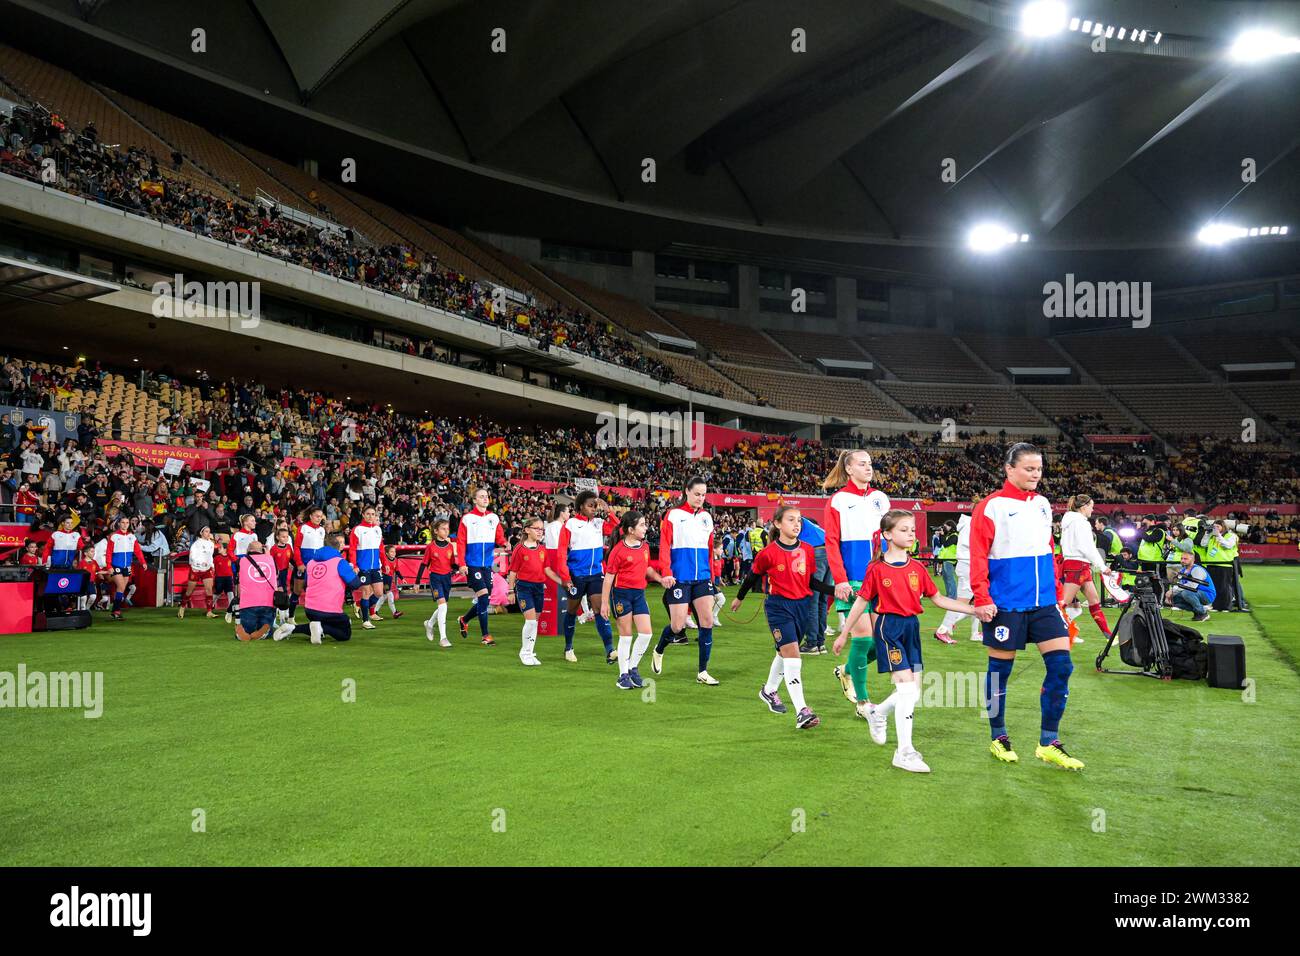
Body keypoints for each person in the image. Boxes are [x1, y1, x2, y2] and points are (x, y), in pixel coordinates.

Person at [970, 443, 1083, 771]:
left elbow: (1049, 549)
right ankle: (998, 735)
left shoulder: (1044, 504)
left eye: (1039, 469)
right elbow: (978, 554)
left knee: (1062, 668)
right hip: (1007, 604)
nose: (1036, 474)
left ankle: (1048, 742)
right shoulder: (990, 507)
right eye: (1029, 469)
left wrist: (1059, 591)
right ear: (1009, 469)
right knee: (999, 675)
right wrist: (982, 597)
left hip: (1045, 603)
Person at [838, 510, 975, 772]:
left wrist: (974, 609)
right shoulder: (876, 569)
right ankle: (904, 752)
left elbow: (939, 599)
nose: (911, 533)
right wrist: (844, 633)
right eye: (904, 529)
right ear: (887, 535)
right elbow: (862, 601)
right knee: (906, 690)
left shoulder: (917, 568)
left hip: (912, 628)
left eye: (912, 529)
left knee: (913, 694)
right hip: (888, 628)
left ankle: (877, 713)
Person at [732, 505, 835, 730]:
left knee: (784, 651)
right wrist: (739, 598)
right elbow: (752, 577)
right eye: (791, 520)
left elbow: (811, 583)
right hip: (779, 608)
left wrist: (835, 591)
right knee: (793, 657)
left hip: (802, 606)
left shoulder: (807, 549)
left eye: (799, 520)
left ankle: (768, 690)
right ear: (777, 524)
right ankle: (802, 711)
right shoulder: (768, 553)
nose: (797, 524)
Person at [821, 448, 890, 723]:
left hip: (881, 578)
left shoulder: (880, 499)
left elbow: (889, 536)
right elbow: (832, 543)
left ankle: (847, 670)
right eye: (862, 464)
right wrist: (839, 579)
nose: (868, 467)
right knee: (862, 639)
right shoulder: (838, 501)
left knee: (882, 642)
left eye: (870, 463)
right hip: (852, 581)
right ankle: (863, 702)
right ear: (849, 469)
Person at [651, 477, 721, 685]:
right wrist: (666, 572)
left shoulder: (707, 517)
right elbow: (665, 545)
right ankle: (659, 649)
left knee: (707, 622)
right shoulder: (673, 515)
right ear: (687, 491)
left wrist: (712, 578)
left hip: (702, 579)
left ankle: (703, 672)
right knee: (677, 625)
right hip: (679, 578)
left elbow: (709, 549)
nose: (701, 498)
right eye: (697, 494)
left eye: (703, 494)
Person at [602, 510, 664, 689]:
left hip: (639, 595)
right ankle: (622, 676)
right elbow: (608, 578)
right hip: (621, 595)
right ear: (630, 529)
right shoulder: (618, 551)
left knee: (646, 634)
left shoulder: (644, 547)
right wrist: (605, 603)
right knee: (626, 637)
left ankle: (632, 669)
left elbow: (647, 569)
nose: (646, 528)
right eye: (642, 525)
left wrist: (660, 579)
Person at [555, 491, 619, 664]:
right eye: (590, 505)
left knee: (599, 610)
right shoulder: (570, 525)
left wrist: (609, 511)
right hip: (576, 575)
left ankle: (610, 650)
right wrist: (566, 577)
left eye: (595, 506)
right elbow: (561, 554)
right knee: (572, 611)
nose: (593, 509)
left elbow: (619, 528)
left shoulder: (598, 523)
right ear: (581, 506)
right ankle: (568, 648)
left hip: (596, 574)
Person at [274, 532, 360, 644]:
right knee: (344, 633)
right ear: (339, 547)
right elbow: (355, 584)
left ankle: (292, 628)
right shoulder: (340, 562)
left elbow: (306, 585)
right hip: (330, 609)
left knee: (322, 623)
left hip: (310, 609)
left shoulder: (311, 562)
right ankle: (320, 628)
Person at [455, 486, 509, 646]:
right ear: (474, 500)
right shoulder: (467, 519)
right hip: (472, 565)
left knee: (484, 601)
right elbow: (461, 542)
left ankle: (464, 620)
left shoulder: (494, 517)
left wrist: (505, 543)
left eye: (487, 496)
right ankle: (486, 636)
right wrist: (462, 564)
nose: (485, 498)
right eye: (481, 496)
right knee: (484, 596)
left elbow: (499, 537)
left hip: (488, 565)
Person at [507, 517, 563, 666]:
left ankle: (530, 651)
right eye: (536, 528)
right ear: (527, 530)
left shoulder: (542, 549)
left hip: (539, 587)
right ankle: (525, 652)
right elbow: (513, 571)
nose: (540, 531)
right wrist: (510, 590)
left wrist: (563, 582)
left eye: (541, 529)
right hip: (524, 587)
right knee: (531, 621)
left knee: (535, 622)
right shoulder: (519, 549)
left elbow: (548, 571)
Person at [1058, 494, 1112, 644]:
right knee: (1062, 604)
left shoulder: (1069, 521)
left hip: (1076, 564)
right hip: (1078, 565)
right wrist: (1102, 566)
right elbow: (1087, 547)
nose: (1092, 510)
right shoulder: (1081, 523)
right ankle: (1053, 631)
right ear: (1084, 507)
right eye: (1091, 506)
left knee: (1094, 600)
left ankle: (1108, 635)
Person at [934, 509, 981, 645]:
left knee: (977, 601)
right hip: (969, 566)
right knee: (962, 602)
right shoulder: (972, 525)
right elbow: (975, 545)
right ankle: (944, 628)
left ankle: (973, 633)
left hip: (970, 566)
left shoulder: (970, 524)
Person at [415, 517, 454, 646]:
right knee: (443, 606)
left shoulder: (450, 546)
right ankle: (443, 638)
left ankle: (430, 623)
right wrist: (417, 582)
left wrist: (461, 568)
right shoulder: (430, 547)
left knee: (443, 607)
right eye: (443, 529)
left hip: (447, 578)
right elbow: (423, 564)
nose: (446, 531)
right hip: (435, 578)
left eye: (447, 528)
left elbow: (452, 563)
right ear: (436, 531)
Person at [796, 513, 832, 655]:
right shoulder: (817, 529)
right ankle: (820, 643)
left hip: (817, 553)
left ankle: (811, 643)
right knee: (822, 601)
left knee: (812, 601)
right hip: (829, 553)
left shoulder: (799, 522)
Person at [347, 505, 385, 629]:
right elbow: (352, 549)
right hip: (363, 567)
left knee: (379, 593)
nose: (370, 516)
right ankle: (366, 620)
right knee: (366, 592)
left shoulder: (378, 529)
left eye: (373, 514)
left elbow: (381, 548)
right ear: (363, 514)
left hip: (375, 567)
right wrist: (354, 564)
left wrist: (384, 563)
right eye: (368, 514)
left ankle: (359, 604)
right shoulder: (357, 530)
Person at [234, 540, 279, 642]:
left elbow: (237, 581)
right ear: (262, 550)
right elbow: (276, 576)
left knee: (248, 629)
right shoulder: (271, 559)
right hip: (268, 601)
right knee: (267, 629)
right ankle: (264, 632)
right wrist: (267, 554)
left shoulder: (241, 561)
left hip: (248, 602)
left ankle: (244, 632)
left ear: (248, 550)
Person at [105, 516, 144, 621]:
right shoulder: (114, 536)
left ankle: (114, 611)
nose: (125, 524)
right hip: (116, 565)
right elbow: (108, 552)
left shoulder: (132, 536)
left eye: (127, 522)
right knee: (121, 586)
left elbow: (137, 550)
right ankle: (116, 611)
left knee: (121, 589)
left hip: (127, 566)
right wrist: (109, 566)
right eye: (123, 522)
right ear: (119, 524)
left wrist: (143, 562)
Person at [1164, 549, 1216, 622]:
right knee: (1174, 599)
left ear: (1193, 560)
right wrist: (1170, 594)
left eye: (1185, 559)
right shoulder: (1183, 570)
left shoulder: (1197, 570)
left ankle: (1203, 613)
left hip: (1207, 595)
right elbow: (1182, 585)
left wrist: (1172, 591)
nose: (1182, 560)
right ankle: (1198, 612)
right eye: (1181, 558)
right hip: (1195, 593)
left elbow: (1191, 586)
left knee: (1186, 593)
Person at [178, 525, 218, 619]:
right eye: (206, 531)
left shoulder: (211, 544)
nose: (208, 533)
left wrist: (212, 566)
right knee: (189, 590)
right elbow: (192, 556)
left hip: (207, 569)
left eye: (209, 531)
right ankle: (182, 607)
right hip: (196, 569)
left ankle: (209, 611)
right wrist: (197, 564)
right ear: (201, 533)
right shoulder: (196, 544)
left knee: (209, 590)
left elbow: (210, 557)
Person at [227, 513, 259, 624]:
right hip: (239, 561)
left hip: (251, 562)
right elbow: (229, 550)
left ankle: (243, 613)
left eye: (254, 520)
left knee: (250, 590)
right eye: (252, 520)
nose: (255, 522)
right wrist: (236, 560)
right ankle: (237, 617)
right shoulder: (237, 535)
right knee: (239, 591)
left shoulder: (255, 535)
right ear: (245, 522)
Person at [269, 528, 296, 625]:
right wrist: (275, 573)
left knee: (284, 594)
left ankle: (283, 619)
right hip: (277, 574)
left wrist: (296, 566)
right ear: (277, 537)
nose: (285, 538)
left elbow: (292, 558)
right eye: (283, 537)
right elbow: (270, 562)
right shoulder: (274, 549)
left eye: (287, 536)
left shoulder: (288, 547)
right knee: (278, 596)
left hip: (285, 573)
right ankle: (275, 621)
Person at [379, 543, 405, 620]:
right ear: (386, 553)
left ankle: (375, 611)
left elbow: (397, 571)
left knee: (384, 596)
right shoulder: (384, 560)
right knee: (389, 594)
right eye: (391, 552)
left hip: (389, 579)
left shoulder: (395, 560)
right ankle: (394, 612)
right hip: (384, 578)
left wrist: (402, 579)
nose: (394, 553)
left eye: (394, 552)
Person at [213, 536, 235, 619]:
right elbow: (213, 567)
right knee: (217, 592)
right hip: (219, 578)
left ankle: (231, 609)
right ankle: (211, 605)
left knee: (230, 593)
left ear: (225, 549)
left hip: (229, 578)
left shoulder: (231, 558)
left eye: (220, 547)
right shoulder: (216, 558)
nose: (218, 548)